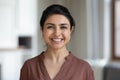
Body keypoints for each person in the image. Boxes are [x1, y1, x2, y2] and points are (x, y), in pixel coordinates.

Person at [20, 4, 94, 80]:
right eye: (50, 27)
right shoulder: (29, 67)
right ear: (42, 30)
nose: (57, 33)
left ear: (71, 30)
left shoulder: (84, 69)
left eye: (63, 27)